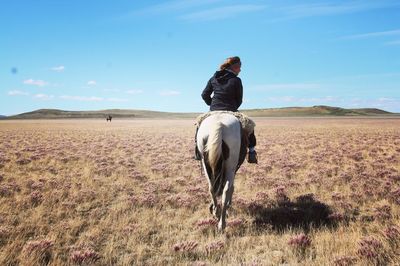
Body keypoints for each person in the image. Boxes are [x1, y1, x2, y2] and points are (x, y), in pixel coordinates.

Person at [195, 56, 257, 164]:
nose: (240, 70)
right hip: (231, 110)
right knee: (250, 125)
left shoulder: (213, 78)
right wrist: (232, 107)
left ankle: (197, 151)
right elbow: (239, 99)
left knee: (199, 124)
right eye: (239, 68)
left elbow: (204, 94)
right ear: (235, 67)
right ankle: (251, 152)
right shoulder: (236, 80)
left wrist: (212, 105)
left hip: (214, 110)